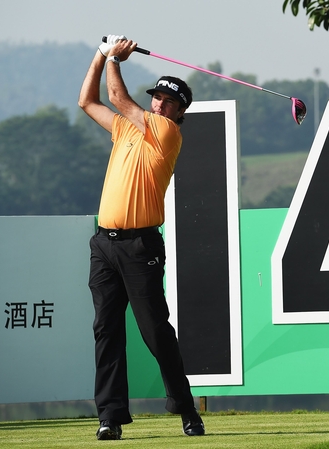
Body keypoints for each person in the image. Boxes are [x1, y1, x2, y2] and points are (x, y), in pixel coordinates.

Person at [78, 34, 204, 440]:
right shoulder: (126, 130)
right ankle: (110, 417)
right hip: (104, 245)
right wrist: (100, 55)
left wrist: (115, 57)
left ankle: (187, 409)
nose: (159, 103)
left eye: (168, 100)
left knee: (154, 330)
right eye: (157, 97)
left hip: (139, 246)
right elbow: (87, 100)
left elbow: (117, 96)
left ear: (179, 111)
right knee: (106, 329)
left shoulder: (166, 132)